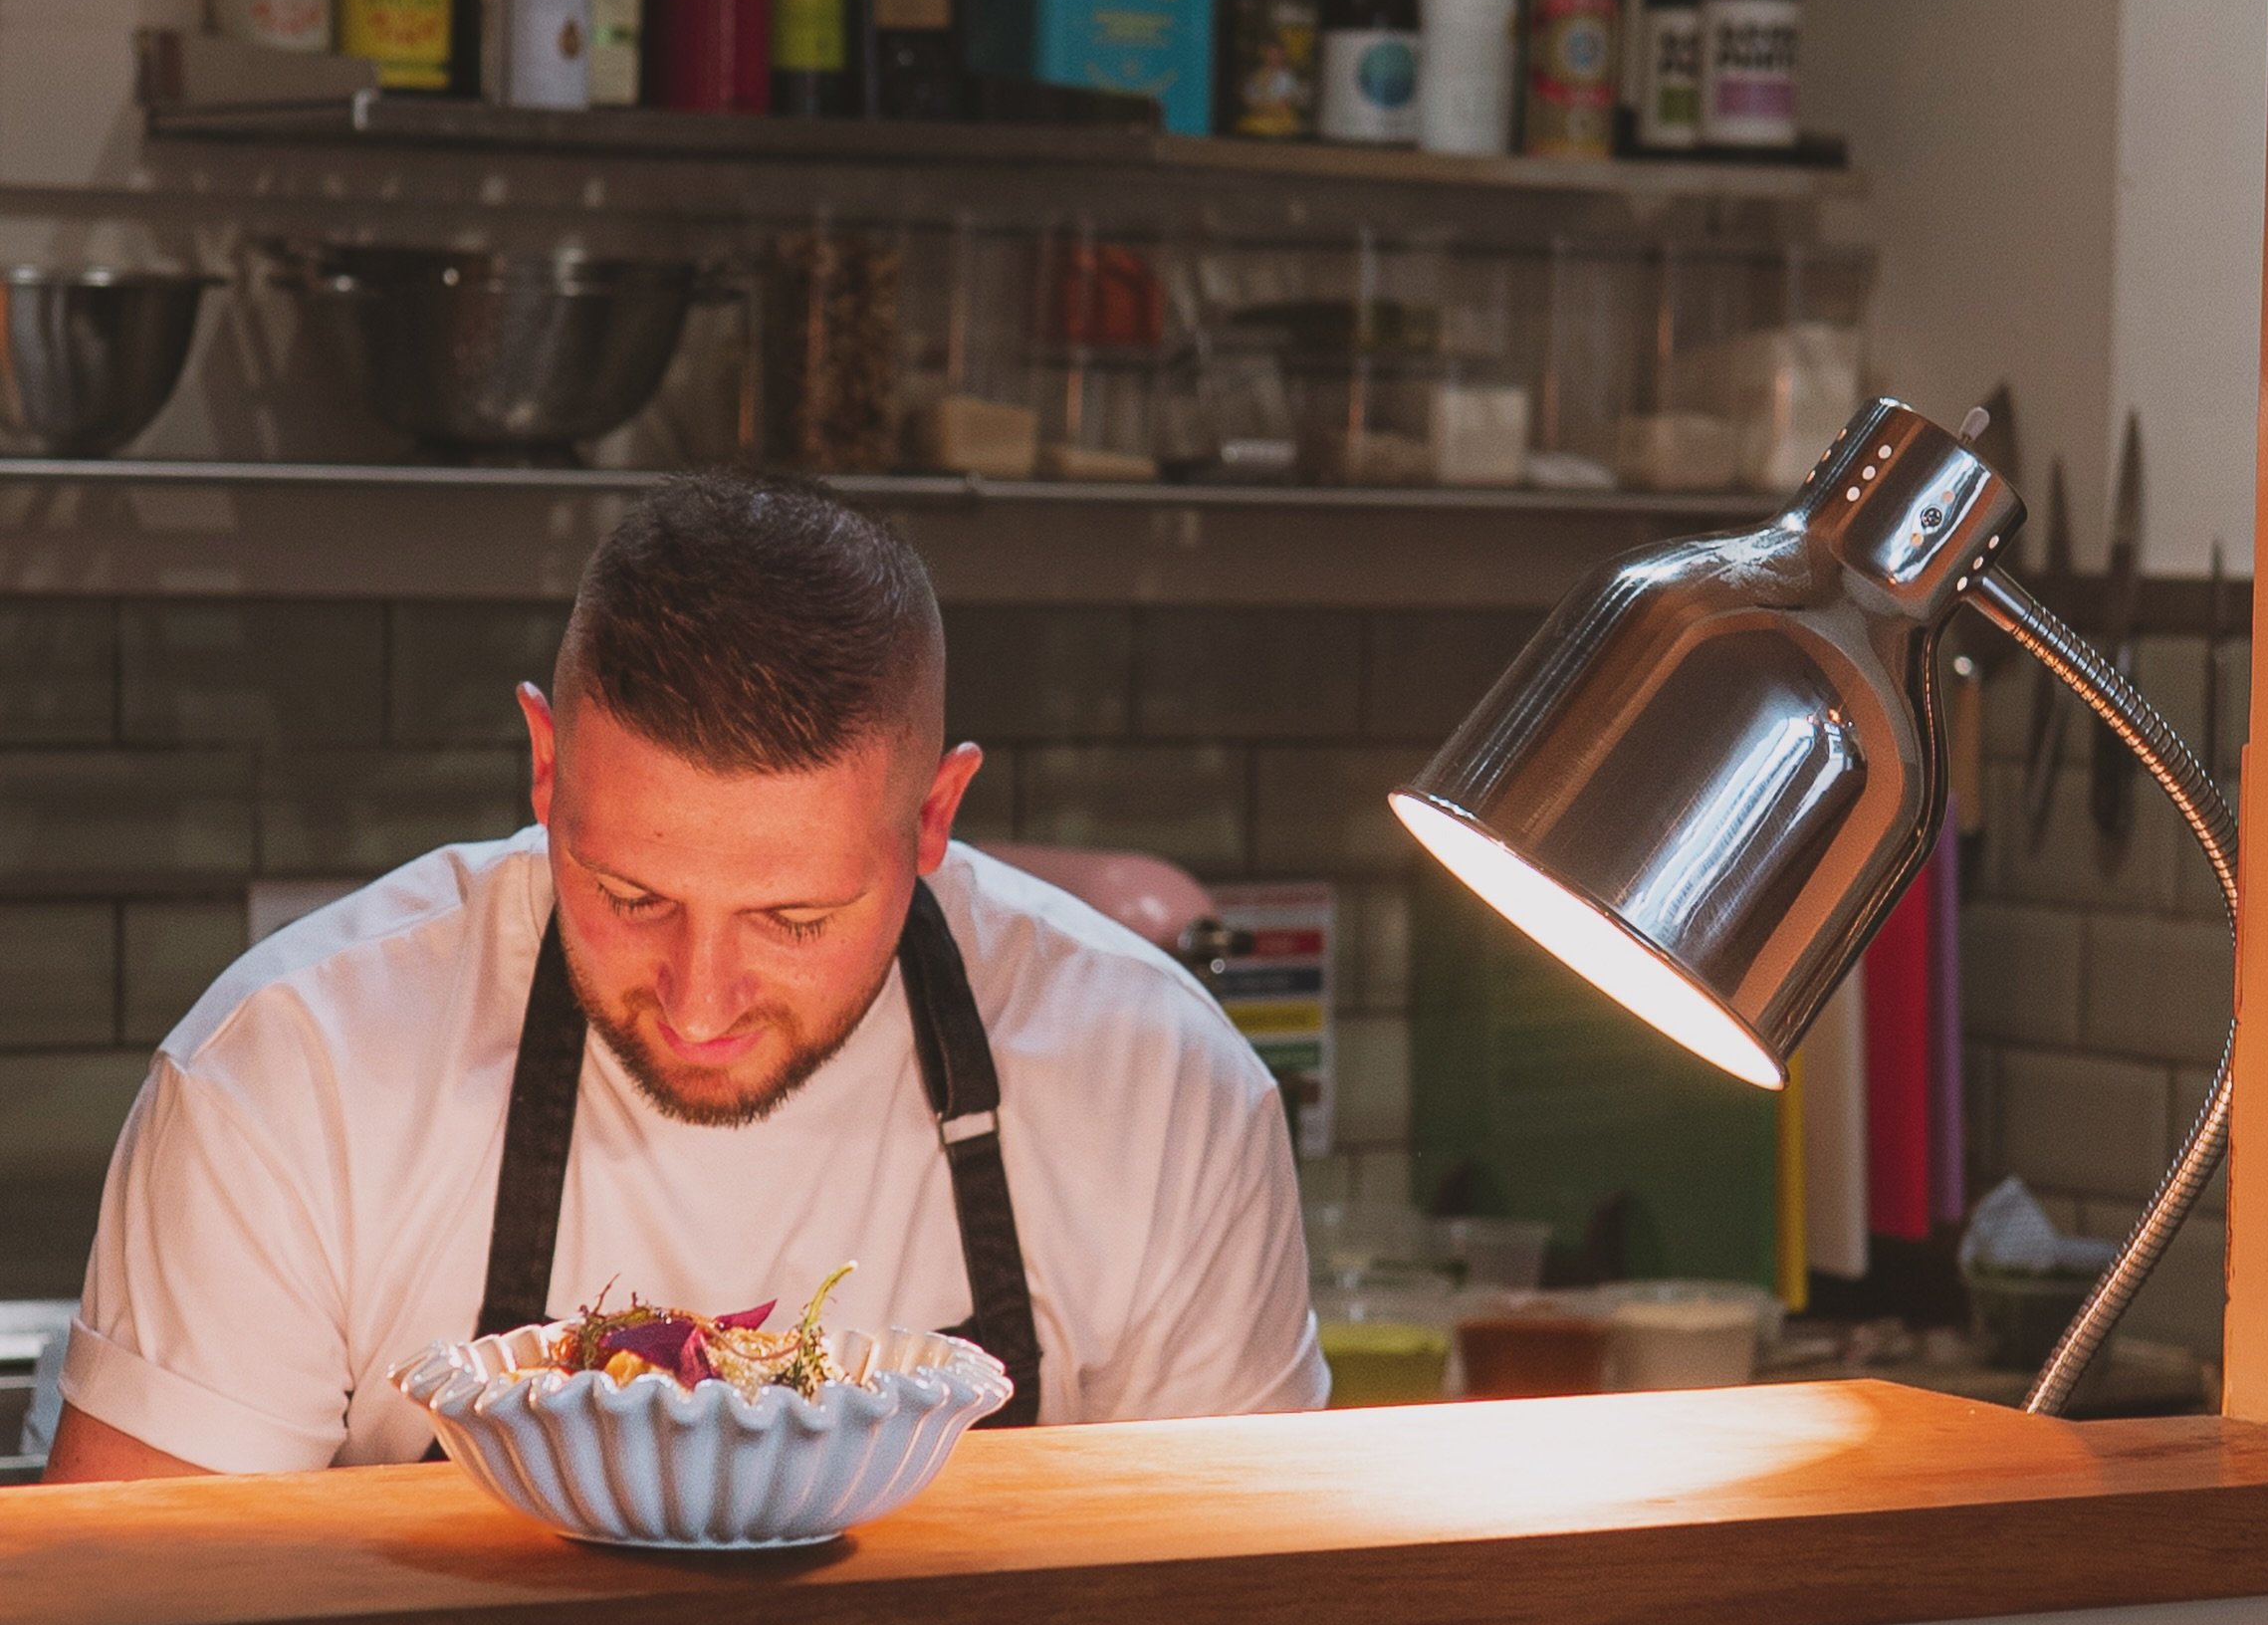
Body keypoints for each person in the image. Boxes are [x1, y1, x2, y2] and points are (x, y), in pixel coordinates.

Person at [45, 475, 1326, 1480]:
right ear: (545, 769)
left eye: (795, 918)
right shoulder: (295, 1072)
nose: (700, 999)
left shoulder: (1161, 1090)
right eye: (630, 897)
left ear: (935, 820)